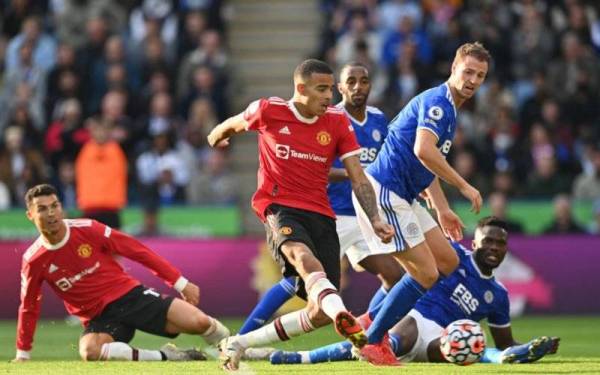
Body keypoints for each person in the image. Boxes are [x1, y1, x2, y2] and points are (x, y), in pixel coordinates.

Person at [207, 59, 395, 371]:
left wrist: (375, 218)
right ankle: (344, 318)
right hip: (279, 206)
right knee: (305, 260)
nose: (328, 97)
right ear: (300, 88)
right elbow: (231, 124)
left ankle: (239, 342)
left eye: (330, 90)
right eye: (321, 89)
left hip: (322, 213)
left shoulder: (336, 122)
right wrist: (216, 137)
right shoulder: (268, 110)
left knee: (318, 310)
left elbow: (358, 177)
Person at [353, 42, 491, 365]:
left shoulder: (450, 109)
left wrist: (441, 207)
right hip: (386, 190)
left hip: (408, 195)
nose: (472, 80)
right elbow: (423, 151)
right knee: (426, 274)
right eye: (468, 71)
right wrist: (463, 185)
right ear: (453, 69)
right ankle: (372, 341)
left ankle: (370, 319)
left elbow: (428, 165)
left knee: (446, 260)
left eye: (480, 75)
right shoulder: (438, 104)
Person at [269, 217, 561, 365]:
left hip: (444, 338)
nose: (494, 248)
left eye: (500, 244)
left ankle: (506, 358)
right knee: (389, 341)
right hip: (415, 319)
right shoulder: (453, 256)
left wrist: (526, 345)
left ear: (506, 249)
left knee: (468, 345)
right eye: (488, 242)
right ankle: (302, 358)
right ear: (475, 243)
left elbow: (505, 338)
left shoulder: (498, 295)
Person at [14, 184, 230, 363]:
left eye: (55, 206)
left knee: (200, 322)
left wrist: (180, 282)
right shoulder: (33, 260)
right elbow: (29, 306)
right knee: (90, 352)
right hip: (99, 318)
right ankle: (166, 356)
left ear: (61, 208)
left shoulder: (88, 229)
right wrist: (23, 353)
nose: (51, 213)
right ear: (30, 215)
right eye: (42, 209)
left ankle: (235, 347)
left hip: (130, 297)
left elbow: (136, 250)